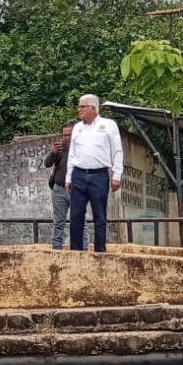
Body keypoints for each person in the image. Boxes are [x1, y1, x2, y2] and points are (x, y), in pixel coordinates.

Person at [65, 94, 124, 252]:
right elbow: (72, 154)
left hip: (99, 175)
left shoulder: (108, 125)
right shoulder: (77, 127)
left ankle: (100, 252)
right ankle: (76, 252)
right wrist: (68, 177)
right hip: (79, 174)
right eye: (79, 106)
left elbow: (117, 151)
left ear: (93, 108)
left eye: (82, 106)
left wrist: (117, 175)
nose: (79, 109)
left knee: (99, 216)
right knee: (76, 215)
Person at [44, 120, 80, 250]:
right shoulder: (59, 149)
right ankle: (56, 251)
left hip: (77, 189)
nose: (66, 138)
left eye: (69, 135)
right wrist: (53, 153)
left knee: (80, 222)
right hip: (59, 189)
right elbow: (47, 164)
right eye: (64, 135)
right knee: (58, 223)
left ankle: (81, 252)